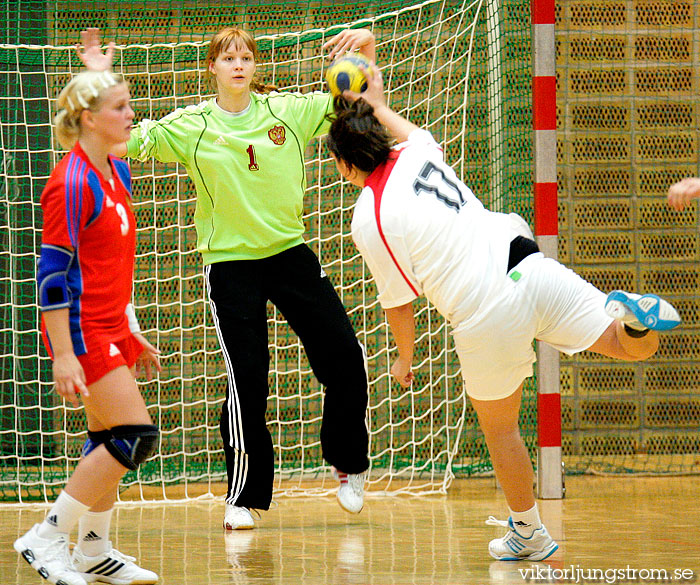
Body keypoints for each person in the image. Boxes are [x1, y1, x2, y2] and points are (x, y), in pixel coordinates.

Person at [324, 65, 681, 561]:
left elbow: (398, 303)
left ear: (344, 167)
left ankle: (529, 533)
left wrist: (404, 360)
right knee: (625, 344)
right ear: (382, 138)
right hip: (523, 258)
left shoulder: (370, 216)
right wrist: (374, 93)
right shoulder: (417, 152)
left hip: (484, 305)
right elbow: (390, 122)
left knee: (501, 427)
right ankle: (637, 318)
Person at [77, 26, 375, 529]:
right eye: (227, 57)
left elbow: (357, 99)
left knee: (345, 354)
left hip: (290, 253)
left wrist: (365, 50)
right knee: (247, 380)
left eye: (246, 57)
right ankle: (244, 496)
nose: (238, 64)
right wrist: (99, 84)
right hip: (230, 265)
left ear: (255, 67)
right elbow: (129, 140)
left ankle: (348, 462)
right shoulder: (192, 125)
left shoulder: (289, 113)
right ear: (212, 67)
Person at [13, 71, 161, 585]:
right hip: (80, 328)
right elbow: (51, 276)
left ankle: (94, 550)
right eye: (119, 107)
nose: (130, 115)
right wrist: (62, 355)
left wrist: (129, 324)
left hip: (110, 322)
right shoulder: (71, 182)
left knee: (105, 436)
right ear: (89, 119)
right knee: (135, 435)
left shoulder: (114, 168)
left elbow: (111, 262)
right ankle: (46, 537)